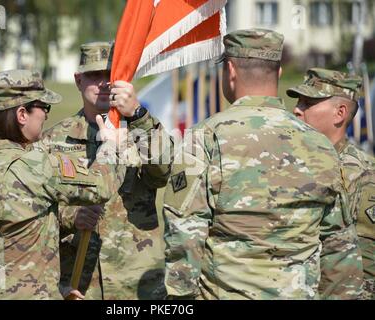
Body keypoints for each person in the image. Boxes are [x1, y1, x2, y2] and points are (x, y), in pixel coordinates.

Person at [163, 29, 358, 300]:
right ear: (278, 74)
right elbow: (340, 246)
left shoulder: (205, 138)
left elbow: (184, 233)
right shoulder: (321, 145)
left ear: (230, 70)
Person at [0, 69, 124, 300]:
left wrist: (53, 290)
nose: (46, 116)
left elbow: (10, 239)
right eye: (43, 108)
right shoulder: (35, 165)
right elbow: (102, 186)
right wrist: (112, 145)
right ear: (22, 114)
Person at [42, 42, 173, 300]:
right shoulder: (53, 140)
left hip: (135, 283)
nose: (103, 83)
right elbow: (34, 209)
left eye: (110, 75)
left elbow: (163, 171)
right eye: (94, 76)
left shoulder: (141, 129)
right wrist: (71, 217)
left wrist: (137, 115)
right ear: (78, 80)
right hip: (80, 282)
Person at [288, 68, 372, 299]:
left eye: (308, 103)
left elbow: (367, 265)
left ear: (339, 113)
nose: (296, 109)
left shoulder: (363, 176)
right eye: (298, 101)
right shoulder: (290, 164)